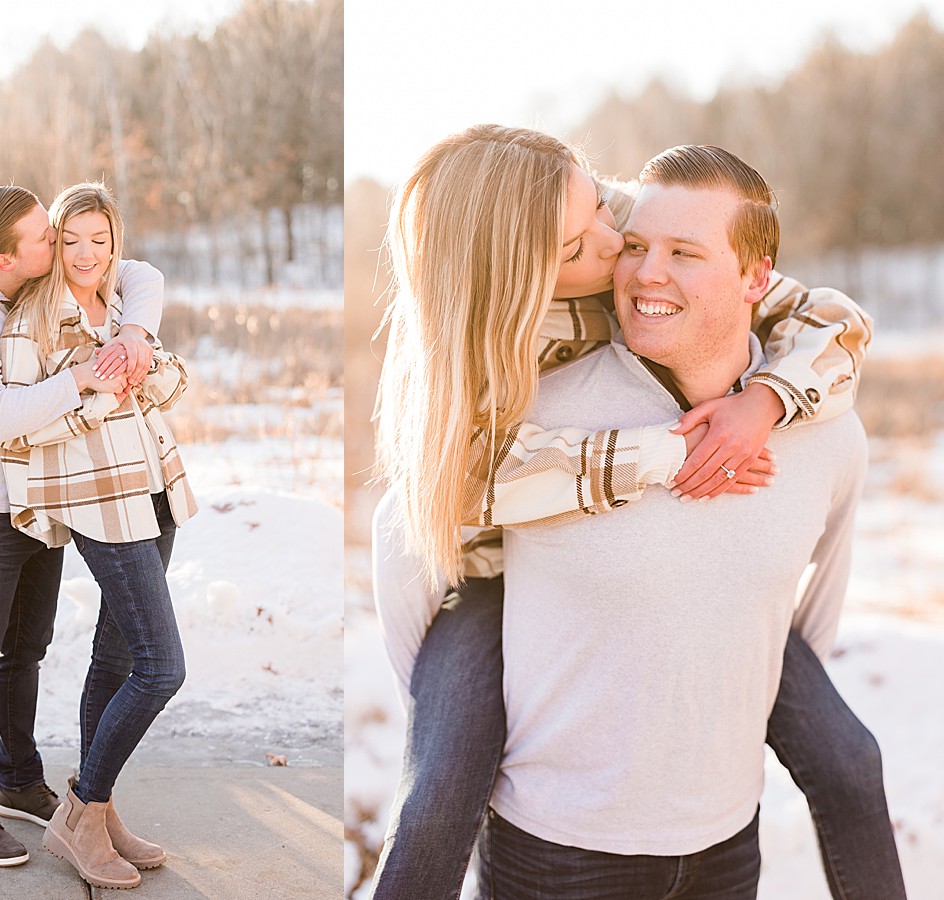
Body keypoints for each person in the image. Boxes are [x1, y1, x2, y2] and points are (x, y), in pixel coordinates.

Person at [370, 128, 903, 898]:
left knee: (850, 758)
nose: (620, 248)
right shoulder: (499, 369)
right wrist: (662, 455)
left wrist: (765, 399)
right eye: (580, 248)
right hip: (492, 595)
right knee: (436, 799)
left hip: (719, 831)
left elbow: (831, 317)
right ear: (522, 277)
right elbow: (427, 506)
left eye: (602, 214)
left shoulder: (621, 221)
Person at [0, 184, 163, 868]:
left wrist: (137, 333)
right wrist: (85, 377)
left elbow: (139, 273)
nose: (58, 243)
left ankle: (21, 781)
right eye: (44, 237)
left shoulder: (27, 288)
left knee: (26, 651)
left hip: (38, 498)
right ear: (5, 259)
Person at [0, 181, 197, 891]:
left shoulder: (120, 308)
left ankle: (99, 808)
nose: (86, 254)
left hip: (154, 491)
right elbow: (16, 427)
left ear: (115, 243)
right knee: (161, 666)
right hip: (101, 504)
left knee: (115, 659)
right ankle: (80, 814)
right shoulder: (32, 321)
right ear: (55, 242)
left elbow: (171, 390)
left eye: (100, 240)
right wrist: (94, 396)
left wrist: (147, 363)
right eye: (72, 239)